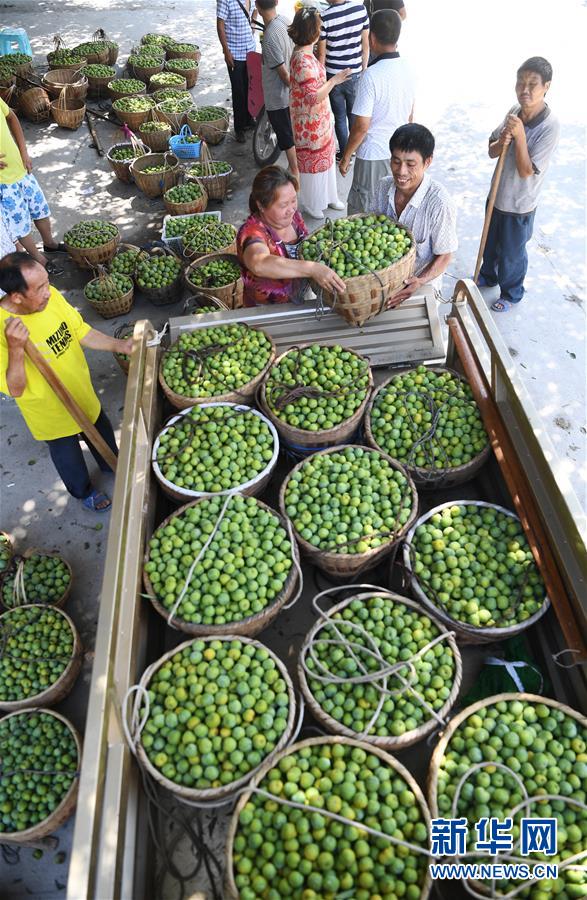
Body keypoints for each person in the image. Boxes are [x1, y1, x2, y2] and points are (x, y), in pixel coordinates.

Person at [0, 254, 134, 512]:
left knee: (102, 433)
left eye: (47, 282)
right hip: (49, 412)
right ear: (17, 296)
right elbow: (15, 388)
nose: (48, 292)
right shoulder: (4, 332)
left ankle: (111, 464)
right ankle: (83, 491)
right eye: (39, 288)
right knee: (68, 456)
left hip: (80, 390)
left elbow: (80, 331)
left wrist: (119, 345)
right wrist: (16, 349)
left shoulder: (50, 298)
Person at [479, 56, 559, 313]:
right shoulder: (514, 111)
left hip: (520, 204)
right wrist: (502, 140)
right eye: (520, 82)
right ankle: (488, 276)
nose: (524, 90)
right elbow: (492, 151)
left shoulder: (550, 126)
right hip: (497, 194)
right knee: (490, 244)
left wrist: (520, 135)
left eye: (532, 84)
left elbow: (527, 171)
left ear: (546, 86)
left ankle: (512, 292)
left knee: (512, 254)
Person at [371, 124, 457, 308]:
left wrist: (419, 281)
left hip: (421, 288)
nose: (401, 171)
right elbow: (370, 227)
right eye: (395, 161)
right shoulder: (383, 186)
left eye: (410, 164)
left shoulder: (439, 202)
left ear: (427, 162)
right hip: (383, 282)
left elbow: (445, 255)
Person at [237, 165, 346, 306]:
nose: (291, 209)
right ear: (261, 206)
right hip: (269, 311)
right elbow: (259, 263)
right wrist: (312, 269)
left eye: (294, 200)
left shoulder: (294, 218)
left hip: (302, 299)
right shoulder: (252, 232)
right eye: (283, 205)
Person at [339, 9, 414, 213]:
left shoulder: (370, 76)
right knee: (389, 211)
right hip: (398, 155)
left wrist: (346, 156)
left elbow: (361, 127)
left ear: (371, 38)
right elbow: (410, 116)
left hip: (373, 156)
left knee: (364, 214)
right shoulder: (408, 68)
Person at [288, 7, 350, 219]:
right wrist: (335, 80)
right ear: (312, 31)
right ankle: (313, 203)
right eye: (319, 26)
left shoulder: (306, 53)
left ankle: (330, 196)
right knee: (313, 166)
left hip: (319, 120)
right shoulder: (301, 60)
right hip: (308, 126)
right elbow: (313, 96)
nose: (322, 29)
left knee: (327, 159)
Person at [0, 99, 65, 274]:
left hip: (22, 170)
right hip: (3, 185)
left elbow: (12, 118)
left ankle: (49, 244)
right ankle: (39, 259)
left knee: (40, 210)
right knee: (19, 225)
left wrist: (24, 152)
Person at [316, 0, 369, 159]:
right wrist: (364, 69)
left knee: (339, 117)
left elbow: (321, 55)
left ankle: (346, 154)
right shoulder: (360, 10)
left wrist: (321, 81)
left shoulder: (324, 17)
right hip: (355, 73)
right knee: (354, 115)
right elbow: (365, 45)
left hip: (334, 76)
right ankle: (354, 151)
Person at [255, 0, 298, 178]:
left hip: (278, 99)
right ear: (277, 2)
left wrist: (297, 91)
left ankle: (294, 175)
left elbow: (284, 76)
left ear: (256, 6)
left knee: (287, 140)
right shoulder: (286, 21)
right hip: (289, 97)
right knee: (291, 135)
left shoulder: (270, 37)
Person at [217, 0, 257, 142]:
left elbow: (255, 10)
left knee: (250, 88)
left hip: (250, 49)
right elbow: (220, 25)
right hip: (234, 53)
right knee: (238, 90)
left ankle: (249, 119)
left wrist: (252, 25)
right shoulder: (225, 1)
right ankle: (239, 128)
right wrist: (226, 52)